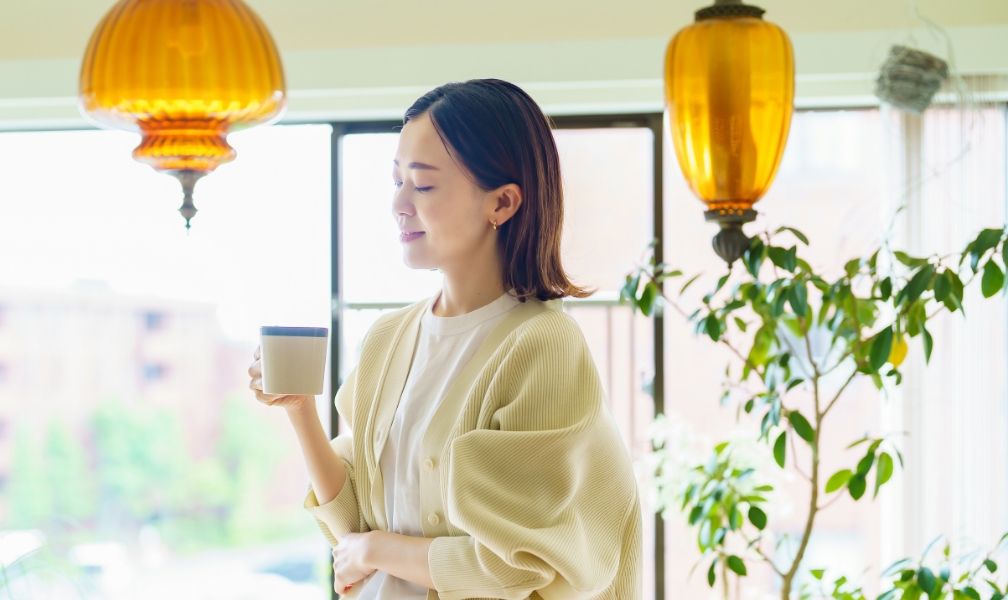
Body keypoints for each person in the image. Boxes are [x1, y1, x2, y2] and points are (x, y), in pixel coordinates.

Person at [248, 79, 642, 600]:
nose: (398, 204)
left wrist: (376, 551)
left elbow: (518, 566)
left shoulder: (542, 344)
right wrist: (300, 409)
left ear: (501, 203)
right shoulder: (388, 338)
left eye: (424, 185)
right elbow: (354, 523)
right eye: (397, 181)